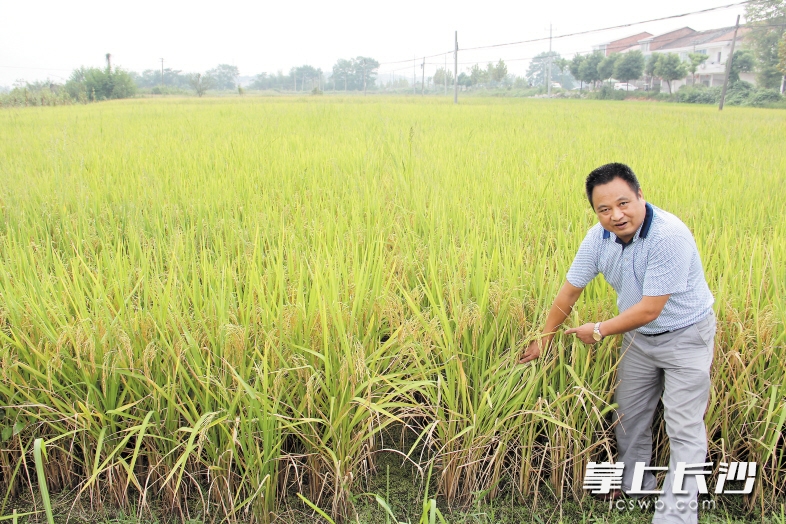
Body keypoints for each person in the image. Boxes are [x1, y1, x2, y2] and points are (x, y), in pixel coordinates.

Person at [519, 163, 715, 524]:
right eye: (604, 209)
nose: (616, 215)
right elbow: (571, 289)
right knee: (629, 416)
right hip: (638, 339)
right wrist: (545, 338)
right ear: (596, 212)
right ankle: (636, 486)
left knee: (684, 427)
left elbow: (650, 309)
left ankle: (675, 516)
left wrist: (597, 329)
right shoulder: (598, 238)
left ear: (641, 195)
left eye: (623, 203)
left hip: (686, 336)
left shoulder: (668, 236)